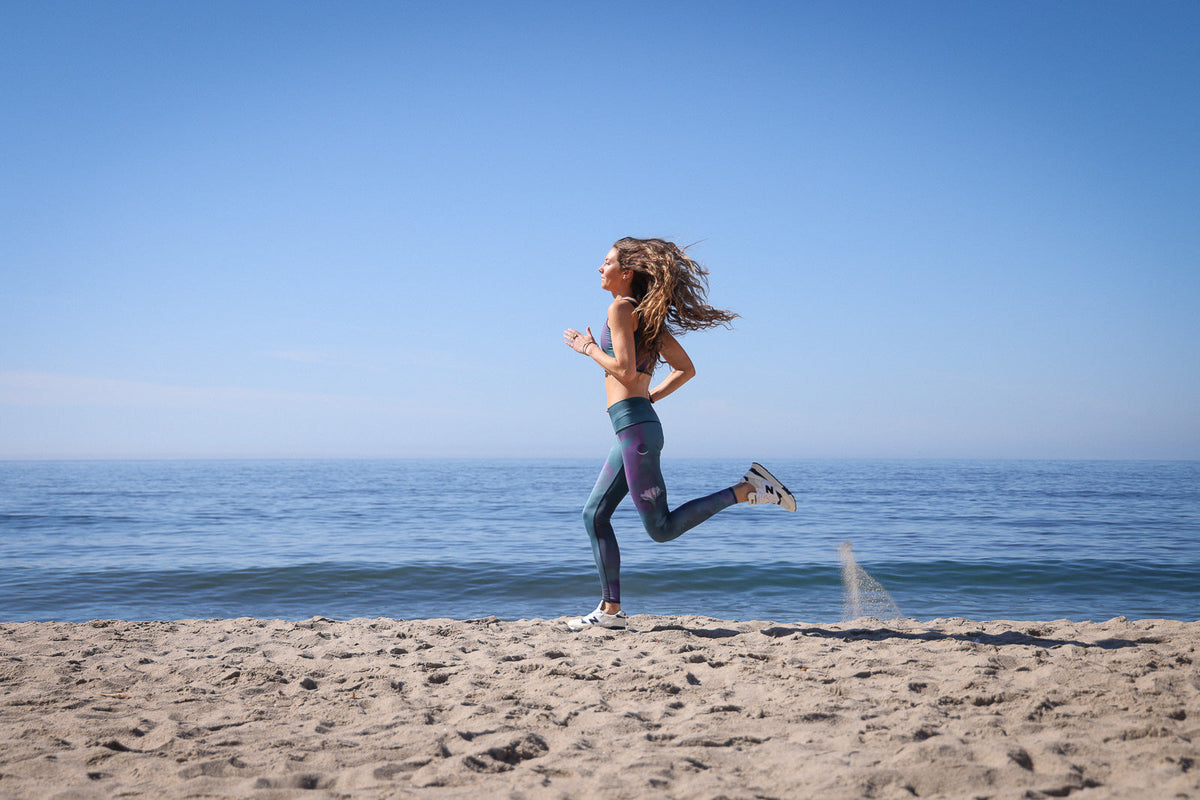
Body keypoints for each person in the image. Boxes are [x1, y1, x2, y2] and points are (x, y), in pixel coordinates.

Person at [562, 237, 795, 631]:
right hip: (635, 427)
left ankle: (747, 488)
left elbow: (624, 369)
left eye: (606, 262)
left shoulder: (620, 308)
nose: (600, 269)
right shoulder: (647, 318)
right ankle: (610, 611)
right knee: (594, 514)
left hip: (636, 430)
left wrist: (588, 348)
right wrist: (647, 397)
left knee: (661, 529)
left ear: (627, 272)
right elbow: (685, 369)